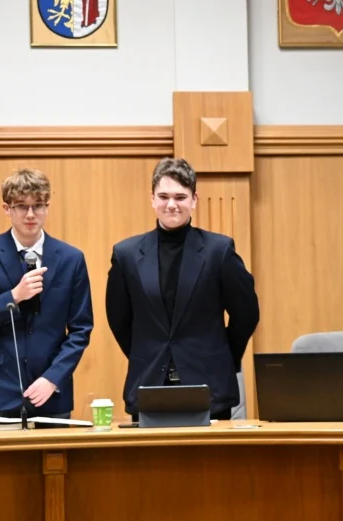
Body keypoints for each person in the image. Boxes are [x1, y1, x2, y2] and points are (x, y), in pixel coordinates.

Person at [105, 157, 259, 420]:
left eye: (180, 196)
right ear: (152, 199)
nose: (171, 205)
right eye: (163, 196)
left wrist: (222, 355)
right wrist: (147, 352)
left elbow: (246, 314)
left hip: (208, 383)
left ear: (194, 200)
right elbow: (119, 319)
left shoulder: (219, 251)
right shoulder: (126, 254)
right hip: (149, 382)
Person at [0, 168, 93, 419]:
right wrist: (13, 297)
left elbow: (81, 330)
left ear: (47, 206)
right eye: (21, 206)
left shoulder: (72, 259)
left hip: (51, 392)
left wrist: (53, 378)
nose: (31, 214)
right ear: (6, 209)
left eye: (38, 205)